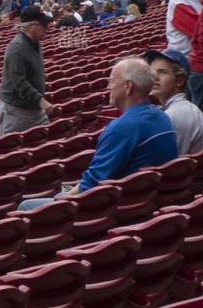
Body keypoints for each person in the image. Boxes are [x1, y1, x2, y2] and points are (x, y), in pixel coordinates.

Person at [18, 58, 178, 210]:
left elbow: (91, 184)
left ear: (128, 86)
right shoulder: (162, 117)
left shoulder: (123, 127)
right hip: (142, 202)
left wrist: (62, 199)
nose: (109, 86)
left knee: (27, 206)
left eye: (112, 81)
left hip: (114, 208)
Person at [142, 48, 203, 156]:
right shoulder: (183, 108)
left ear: (180, 80)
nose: (154, 78)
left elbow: (168, 163)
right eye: (152, 72)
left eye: (163, 72)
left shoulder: (176, 114)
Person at [0, 6, 54, 134]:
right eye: (43, 25)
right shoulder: (17, 48)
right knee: (13, 150)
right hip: (16, 110)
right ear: (32, 26)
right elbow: (19, 82)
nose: (47, 28)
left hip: (33, 108)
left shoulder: (35, 43)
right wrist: (41, 100)